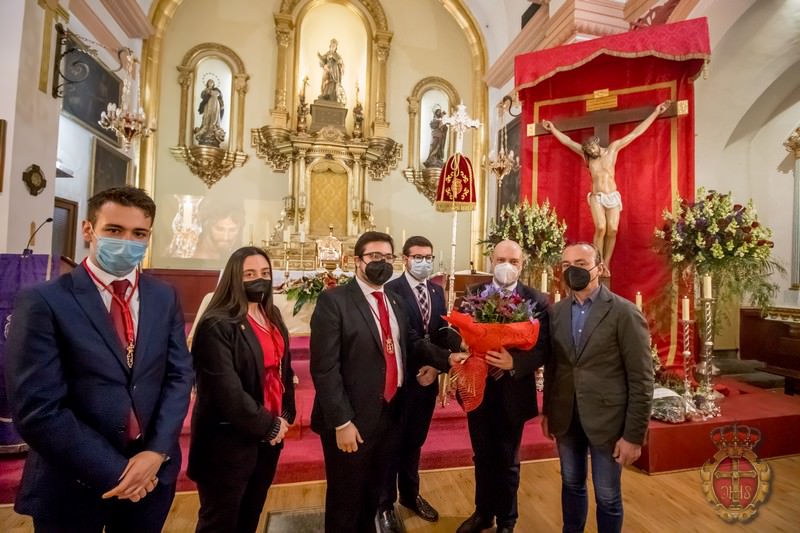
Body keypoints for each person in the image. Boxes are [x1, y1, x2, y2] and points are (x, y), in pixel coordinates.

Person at [4, 186, 194, 532]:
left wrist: (155, 453)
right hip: (72, 480)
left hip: (152, 474)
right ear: (88, 230)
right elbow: (38, 409)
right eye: (114, 230)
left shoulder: (163, 296)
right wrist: (120, 472)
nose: (127, 241)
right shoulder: (44, 301)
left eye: (139, 234)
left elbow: (179, 376)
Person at [310, 231, 465, 532]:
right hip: (352, 420)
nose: (381, 262)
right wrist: (341, 422)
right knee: (346, 501)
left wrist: (446, 359)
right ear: (357, 261)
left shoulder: (394, 300)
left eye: (386, 257)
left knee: (372, 495)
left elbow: (412, 342)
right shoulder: (334, 301)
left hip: (390, 415)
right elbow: (325, 369)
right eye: (374, 256)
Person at [542, 242, 654, 533]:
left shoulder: (624, 312)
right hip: (566, 417)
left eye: (580, 264)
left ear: (600, 268)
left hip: (607, 421)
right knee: (571, 483)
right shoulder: (556, 312)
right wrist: (548, 412)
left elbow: (642, 379)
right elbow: (554, 367)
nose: (573, 271)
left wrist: (634, 436)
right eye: (566, 265)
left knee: (607, 496)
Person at [188, 246, 295, 533]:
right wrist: (269, 425)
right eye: (249, 274)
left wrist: (286, 414)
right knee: (220, 522)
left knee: (250, 515)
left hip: (269, 438)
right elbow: (225, 390)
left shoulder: (272, 315)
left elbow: (284, 369)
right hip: (228, 442)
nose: (259, 279)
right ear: (234, 277)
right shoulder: (217, 323)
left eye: (265, 273)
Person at [457, 239, 551, 533]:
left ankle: (507, 521)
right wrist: (462, 345)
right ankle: (483, 513)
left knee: (508, 460)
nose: (506, 266)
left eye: (513, 261)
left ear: (522, 266)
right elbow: (456, 332)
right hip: (478, 388)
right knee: (482, 456)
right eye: (500, 260)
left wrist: (515, 362)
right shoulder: (473, 294)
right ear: (491, 261)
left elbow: (544, 348)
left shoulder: (537, 300)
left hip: (513, 390)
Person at [541, 100, 670, 274]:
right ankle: (598, 262)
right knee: (601, 227)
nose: (590, 151)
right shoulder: (587, 157)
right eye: (588, 150)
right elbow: (568, 142)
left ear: (596, 143)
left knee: (613, 229)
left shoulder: (612, 149)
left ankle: (606, 262)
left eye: (592, 148)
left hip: (612, 196)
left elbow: (635, 133)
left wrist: (656, 112)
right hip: (597, 196)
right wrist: (553, 129)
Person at [376, 236, 452, 532]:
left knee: (415, 441)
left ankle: (410, 495)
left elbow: (440, 331)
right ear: (405, 259)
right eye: (417, 257)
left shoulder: (436, 290)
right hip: (400, 379)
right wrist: (445, 359)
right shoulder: (390, 290)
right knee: (391, 444)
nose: (424, 262)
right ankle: (384, 504)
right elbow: (402, 336)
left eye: (428, 257)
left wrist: (437, 366)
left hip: (427, 379)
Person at [195, 79, 226, 147]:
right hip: (207, 105)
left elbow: (218, 94)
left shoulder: (216, 90)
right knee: (207, 116)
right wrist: (207, 91)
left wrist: (210, 92)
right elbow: (202, 95)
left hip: (215, 104)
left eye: (212, 82)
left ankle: (213, 127)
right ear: (207, 83)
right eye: (209, 82)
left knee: (214, 116)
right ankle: (205, 128)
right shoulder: (205, 90)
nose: (210, 83)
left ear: (213, 84)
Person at [317, 38, 345, 105]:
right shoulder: (327, 53)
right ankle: (324, 94)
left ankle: (333, 96)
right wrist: (320, 56)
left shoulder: (337, 55)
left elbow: (340, 62)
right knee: (325, 81)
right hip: (328, 70)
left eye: (334, 46)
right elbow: (323, 59)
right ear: (330, 46)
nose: (332, 47)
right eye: (332, 45)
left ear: (336, 48)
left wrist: (335, 58)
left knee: (333, 82)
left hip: (334, 71)